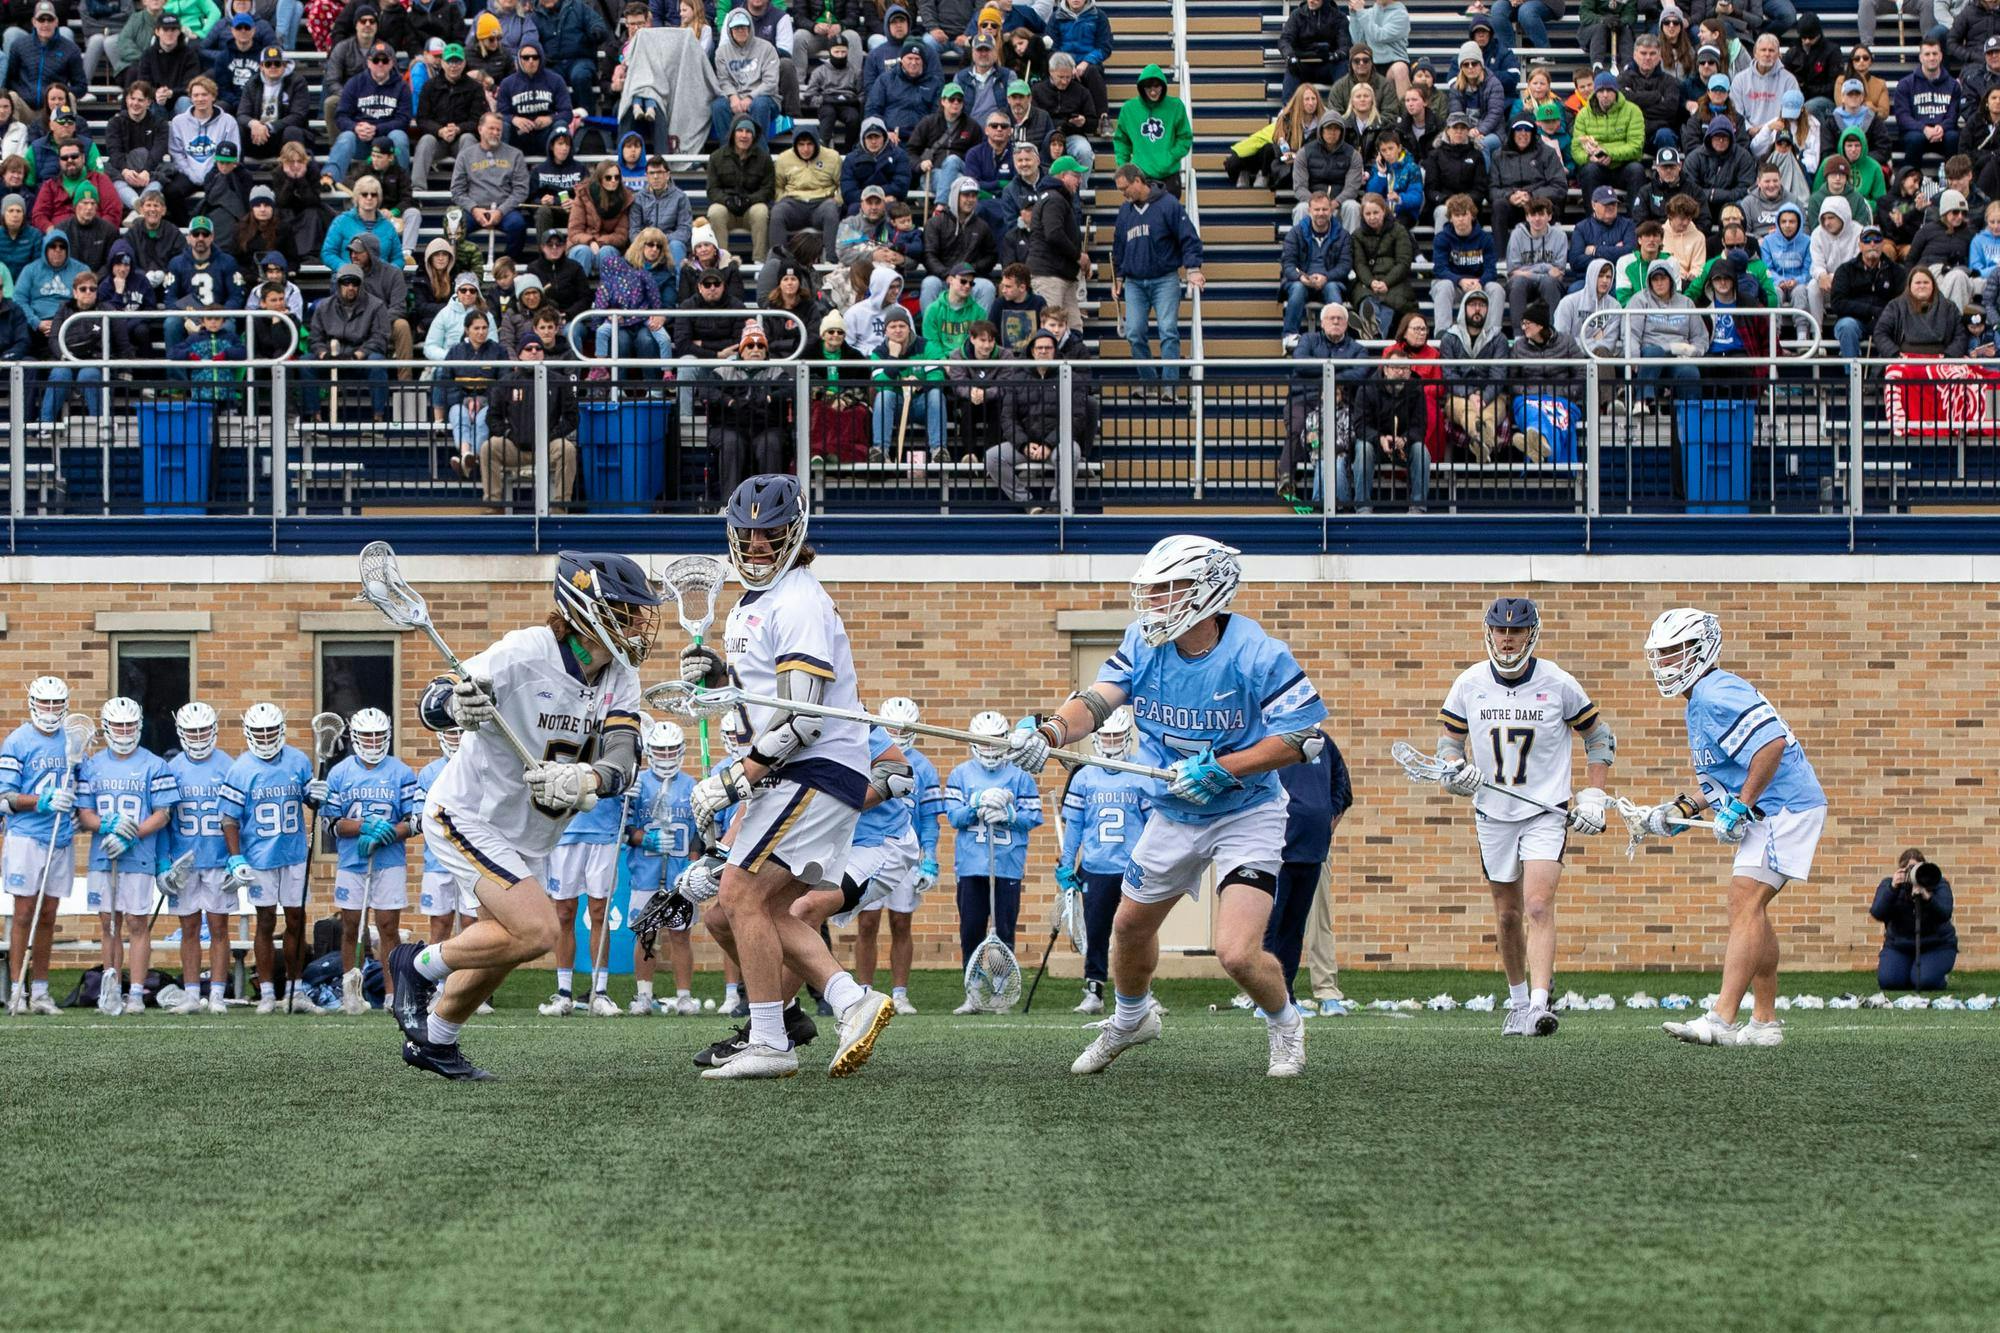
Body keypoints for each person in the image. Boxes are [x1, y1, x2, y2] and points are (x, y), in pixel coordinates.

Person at [1008, 535, 1326, 1076]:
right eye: (1150, 591)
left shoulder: (1257, 652)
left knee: (1236, 952)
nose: (1152, 603)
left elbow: (1303, 738)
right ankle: (1132, 1019)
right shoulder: (1142, 641)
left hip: (1246, 811)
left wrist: (1221, 769)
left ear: (1206, 592)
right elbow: (1097, 699)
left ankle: (1285, 1023)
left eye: (1165, 590)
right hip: (1174, 812)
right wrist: (1053, 731)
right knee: (1129, 927)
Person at [387, 553, 658, 1078]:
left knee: (505, 945)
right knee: (537, 931)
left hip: (528, 833)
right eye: (626, 611)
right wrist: (455, 706)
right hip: (468, 814)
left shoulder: (620, 677)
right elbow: (436, 698)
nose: (637, 623)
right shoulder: (524, 651)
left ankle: (435, 1041)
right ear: (586, 609)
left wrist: (589, 779)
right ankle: (416, 966)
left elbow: (623, 754)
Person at [666, 474, 895, 1080]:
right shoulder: (758, 602)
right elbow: (767, 701)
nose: (758, 545)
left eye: (770, 534)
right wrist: (721, 682)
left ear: (795, 534)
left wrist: (737, 778)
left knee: (739, 895)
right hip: (794, 772)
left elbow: (804, 718)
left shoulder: (797, 600)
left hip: (812, 767)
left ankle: (771, 1040)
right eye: (748, 534)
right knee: (733, 913)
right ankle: (848, 1002)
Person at [1639, 609, 1826, 1048]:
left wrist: (1741, 807)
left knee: (1745, 901)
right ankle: (1764, 1023)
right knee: (1750, 908)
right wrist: (1680, 809)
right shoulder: (1701, 696)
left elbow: (1771, 743)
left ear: (1700, 649)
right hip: (1772, 808)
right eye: (1660, 656)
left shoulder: (1713, 691)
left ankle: (1723, 1018)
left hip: (1784, 807)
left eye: (1673, 653)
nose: (1664, 664)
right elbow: (1726, 775)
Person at [1434, 598, 1613, 1036]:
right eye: (1500, 631)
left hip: (1545, 812)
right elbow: (1448, 747)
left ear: (1531, 634)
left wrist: (1593, 793)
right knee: (1508, 914)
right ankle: (1516, 1002)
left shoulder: (1558, 682)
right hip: (1493, 813)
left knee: (1537, 904)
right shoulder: (1469, 683)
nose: (1507, 639)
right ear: (1489, 632)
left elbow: (1599, 736)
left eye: (1515, 631)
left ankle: (1539, 1003)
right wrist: (1454, 773)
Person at [75, 696, 178, 1017]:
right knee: (108, 923)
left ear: (139, 726)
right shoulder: (92, 765)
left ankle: (135, 992)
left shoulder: (154, 764)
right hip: (104, 856)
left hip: (140, 854)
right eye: (118, 724)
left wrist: (130, 835)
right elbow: (84, 814)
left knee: (136, 922)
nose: (123, 730)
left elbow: (162, 814)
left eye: (129, 724)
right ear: (107, 727)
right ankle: (110, 988)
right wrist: (107, 826)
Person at [216, 704, 319, 1014]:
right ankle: (267, 993)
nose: (265, 737)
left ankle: (296, 988)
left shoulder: (298, 761)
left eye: (270, 731)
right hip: (259, 856)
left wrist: (317, 796)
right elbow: (229, 819)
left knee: (297, 920)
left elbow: (310, 799)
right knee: (264, 921)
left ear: (281, 730)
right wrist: (236, 858)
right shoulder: (241, 768)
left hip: (294, 852)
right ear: (249, 732)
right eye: (259, 732)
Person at [941, 711, 1042, 1013]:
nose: (987, 748)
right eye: (982, 742)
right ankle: (973, 990)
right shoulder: (961, 774)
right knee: (971, 929)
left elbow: (1034, 816)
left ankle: (1000, 991)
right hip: (972, 864)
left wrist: (1010, 816)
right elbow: (954, 817)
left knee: (1004, 930)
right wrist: (976, 805)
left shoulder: (1020, 774)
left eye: (994, 741)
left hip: (1007, 863)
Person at [318, 708, 416, 1015]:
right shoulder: (340, 773)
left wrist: (388, 832)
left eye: (377, 735)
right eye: (367, 736)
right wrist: (363, 827)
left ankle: (392, 994)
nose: (373, 742)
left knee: (388, 927)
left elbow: (415, 820)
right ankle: (350, 992)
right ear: (355, 737)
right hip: (352, 860)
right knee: (350, 927)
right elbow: (330, 823)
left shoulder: (400, 772)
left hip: (389, 860)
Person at [1053, 706, 1148, 1016]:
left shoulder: (1140, 772)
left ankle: (1141, 992)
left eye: (1116, 737)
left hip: (1133, 868)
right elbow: (1075, 827)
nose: (1110, 743)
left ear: (1127, 737)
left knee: (1138, 931)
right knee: (1096, 932)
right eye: (1105, 737)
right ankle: (1094, 989)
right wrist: (1067, 863)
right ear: (1096, 740)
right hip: (1095, 866)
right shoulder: (1084, 775)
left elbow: (1152, 825)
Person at [854, 696, 943, 1015]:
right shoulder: (867, 755)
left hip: (906, 850)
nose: (897, 732)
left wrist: (929, 858)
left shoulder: (923, 766)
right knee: (867, 922)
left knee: (901, 922)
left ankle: (900, 992)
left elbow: (930, 817)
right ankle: (863, 990)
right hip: (871, 846)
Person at [1, 677, 76, 1017]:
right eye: (44, 704)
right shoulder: (17, 741)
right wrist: (41, 801)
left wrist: (78, 812)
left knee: (48, 916)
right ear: (32, 703)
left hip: (60, 837)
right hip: (27, 836)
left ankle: (42, 991)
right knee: (24, 913)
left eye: (55, 704)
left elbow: (83, 785)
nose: (50, 710)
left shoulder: (73, 741)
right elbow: (4, 798)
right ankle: (18, 987)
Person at [624, 722, 699, 1015]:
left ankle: (684, 996)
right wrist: (647, 838)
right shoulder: (638, 784)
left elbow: (700, 829)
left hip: (680, 872)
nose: (666, 756)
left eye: (671, 750)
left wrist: (694, 860)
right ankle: (643, 995)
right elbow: (624, 830)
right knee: (646, 933)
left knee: (680, 934)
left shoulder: (691, 785)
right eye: (660, 750)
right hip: (645, 871)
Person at [1109, 163, 1202, 396]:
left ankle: (1170, 387)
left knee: (1168, 330)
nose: (1124, 194)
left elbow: (1188, 238)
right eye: (1120, 190)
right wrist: (1118, 276)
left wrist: (1193, 268)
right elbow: (1119, 245)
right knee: (1133, 332)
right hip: (1134, 281)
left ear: (1138, 181)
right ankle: (1150, 381)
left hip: (1164, 279)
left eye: (1125, 188)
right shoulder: (1125, 211)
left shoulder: (1169, 204)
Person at [1871, 850, 1956, 991]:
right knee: (1889, 982)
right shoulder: (1889, 885)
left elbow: (1945, 913)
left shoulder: (1938, 884)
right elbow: (1877, 912)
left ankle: (1934, 977)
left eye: (1917, 869)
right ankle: (1909, 972)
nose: (1913, 875)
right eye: (1909, 870)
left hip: (1936, 945)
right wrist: (1892, 889)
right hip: (1900, 946)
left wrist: (1927, 897)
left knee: (1924, 982)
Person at [1025, 152, 1088, 330]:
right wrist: (1078, 256)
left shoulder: (1055, 198)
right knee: (1051, 329)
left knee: (1074, 327)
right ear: (1062, 176)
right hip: (1049, 275)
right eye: (1075, 176)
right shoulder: (1054, 199)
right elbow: (1053, 234)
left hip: (1060, 274)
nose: (1079, 181)